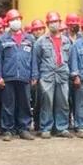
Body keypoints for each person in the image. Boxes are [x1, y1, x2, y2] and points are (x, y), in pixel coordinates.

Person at [0, 9, 35, 142]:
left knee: (25, 104)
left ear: (21, 20)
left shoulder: (29, 39)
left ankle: (24, 129)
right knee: (8, 105)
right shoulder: (2, 39)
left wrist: (34, 75)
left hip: (25, 76)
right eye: (12, 20)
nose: (15, 22)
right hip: (8, 77)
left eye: (17, 19)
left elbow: (33, 59)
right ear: (8, 23)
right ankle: (8, 130)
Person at [31, 11, 73, 139]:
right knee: (47, 102)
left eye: (55, 21)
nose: (53, 24)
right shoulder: (41, 41)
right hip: (47, 75)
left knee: (63, 102)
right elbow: (35, 60)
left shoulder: (67, 41)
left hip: (62, 74)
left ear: (60, 23)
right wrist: (35, 76)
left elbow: (70, 59)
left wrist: (73, 74)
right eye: (51, 22)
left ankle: (61, 128)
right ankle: (46, 128)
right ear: (47, 24)